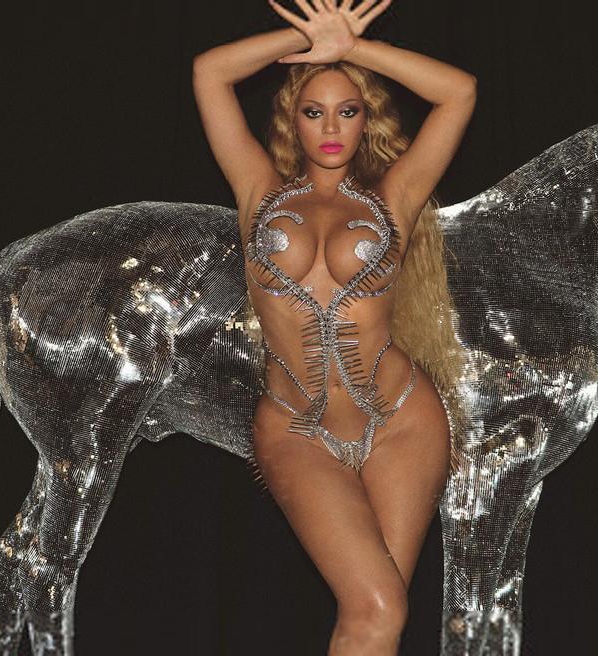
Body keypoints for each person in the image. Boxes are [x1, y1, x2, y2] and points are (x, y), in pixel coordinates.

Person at [192, 1, 476, 653]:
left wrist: (351, 47)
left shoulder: (393, 200)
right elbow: (210, 73)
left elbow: (459, 93)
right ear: (292, 120)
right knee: (377, 606)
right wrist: (307, 39)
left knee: (377, 621)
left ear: (365, 120)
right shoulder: (258, 191)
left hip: (401, 421)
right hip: (298, 431)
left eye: (347, 111)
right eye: (313, 111)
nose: (330, 127)